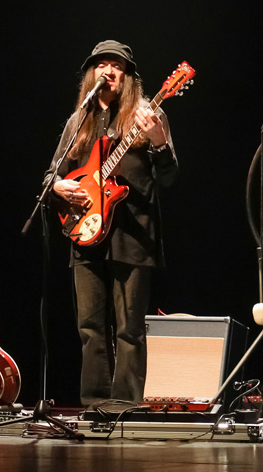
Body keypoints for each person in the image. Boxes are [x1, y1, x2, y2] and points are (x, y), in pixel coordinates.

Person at [44, 40, 179, 406]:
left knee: (129, 329)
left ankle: (125, 408)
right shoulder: (78, 121)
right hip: (85, 232)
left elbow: (168, 177)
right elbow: (52, 176)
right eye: (101, 64)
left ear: (128, 76)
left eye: (117, 65)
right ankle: (94, 405)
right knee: (89, 328)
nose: (109, 70)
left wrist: (159, 141)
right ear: (91, 74)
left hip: (132, 237)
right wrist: (58, 186)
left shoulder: (146, 115)